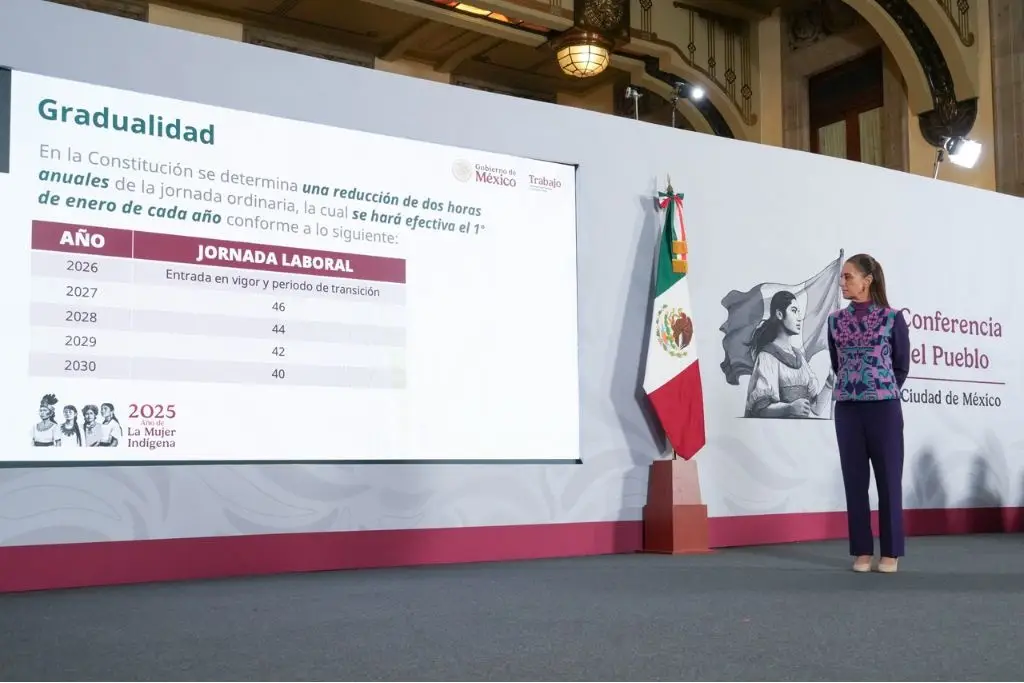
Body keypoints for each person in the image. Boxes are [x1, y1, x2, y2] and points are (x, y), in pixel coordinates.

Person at [827, 253, 910, 574]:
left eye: (848, 276)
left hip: (884, 409)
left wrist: (879, 388)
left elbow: (900, 366)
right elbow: (837, 364)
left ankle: (891, 552)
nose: (842, 282)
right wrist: (855, 387)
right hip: (847, 409)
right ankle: (862, 550)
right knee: (854, 481)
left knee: (889, 481)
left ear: (867, 280)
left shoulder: (892, 319)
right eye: (842, 277)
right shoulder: (835, 321)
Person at [745, 290, 834, 418]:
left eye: (798, 312)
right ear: (779, 314)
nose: (799, 317)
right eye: (794, 310)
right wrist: (789, 408)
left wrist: (829, 382)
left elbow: (816, 408)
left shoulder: (799, 357)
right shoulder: (767, 356)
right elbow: (760, 409)